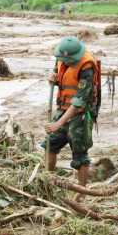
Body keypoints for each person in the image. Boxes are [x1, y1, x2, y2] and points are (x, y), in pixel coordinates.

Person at [42, 36, 100, 201]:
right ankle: (49, 181)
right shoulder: (61, 58)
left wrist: (58, 123)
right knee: (49, 145)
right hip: (63, 108)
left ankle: (81, 191)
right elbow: (56, 73)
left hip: (80, 114)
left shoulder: (86, 68)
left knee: (80, 155)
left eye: (69, 61)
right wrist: (52, 78)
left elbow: (79, 101)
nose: (65, 62)